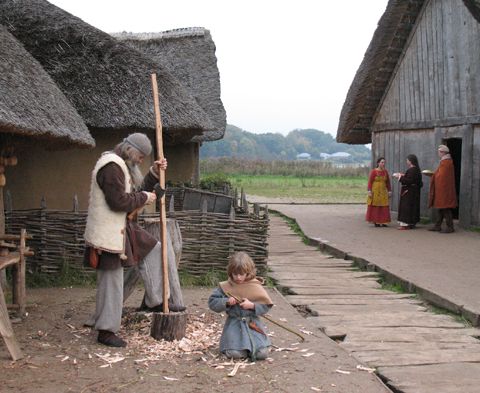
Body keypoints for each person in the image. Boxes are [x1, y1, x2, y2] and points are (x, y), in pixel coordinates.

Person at [84, 133, 185, 348]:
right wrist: (146, 198)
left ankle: (155, 301)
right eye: (140, 157)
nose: (141, 160)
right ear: (130, 150)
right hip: (108, 233)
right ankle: (106, 331)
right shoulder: (111, 166)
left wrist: (154, 173)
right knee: (111, 281)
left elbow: (135, 193)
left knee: (155, 250)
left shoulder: (122, 164)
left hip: (123, 227)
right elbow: (118, 202)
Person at [208, 252, 273, 361]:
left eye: (242, 274)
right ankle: (240, 349)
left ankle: (256, 347)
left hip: (253, 324)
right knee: (235, 354)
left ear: (248, 272)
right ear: (230, 272)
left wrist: (252, 306)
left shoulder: (255, 286)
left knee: (262, 354)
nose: (238, 277)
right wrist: (226, 301)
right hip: (234, 325)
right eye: (235, 274)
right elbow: (212, 302)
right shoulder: (226, 287)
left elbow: (266, 305)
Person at [428, 144, 457, 233]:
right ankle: (437, 226)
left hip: (445, 190)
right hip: (444, 190)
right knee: (441, 208)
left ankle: (450, 227)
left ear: (443, 152)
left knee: (445, 208)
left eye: (439, 152)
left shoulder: (446, 163)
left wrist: (433, 175)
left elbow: (442, 176)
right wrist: (434, 175)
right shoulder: (444, 162)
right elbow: (440, 174)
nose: (438, 154)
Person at [392, 154, 423, 230]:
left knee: (406, 207)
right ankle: (412, 223)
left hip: (408, 192)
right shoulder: (417, 170)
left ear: (410, 161)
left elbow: (409, 181)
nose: (406, 161)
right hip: (414, 192)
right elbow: (416, 181)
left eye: (407, 160)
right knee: (413, 207)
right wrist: (403, 175)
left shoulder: (412, 170)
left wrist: (399, 177)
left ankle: (405, 225)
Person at [366, 157, 392, 227]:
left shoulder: (385, 172)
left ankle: (384, 221)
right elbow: (370, 182)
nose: (383, 164)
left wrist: (389, 191)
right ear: (378, 163)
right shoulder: (374, 171)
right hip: (375, 191)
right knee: (376, 206)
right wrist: (369, 190)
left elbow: (388, 182)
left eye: (384, 162)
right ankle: (376, 221)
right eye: (382, 162)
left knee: (384, 206)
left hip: (383, 191)